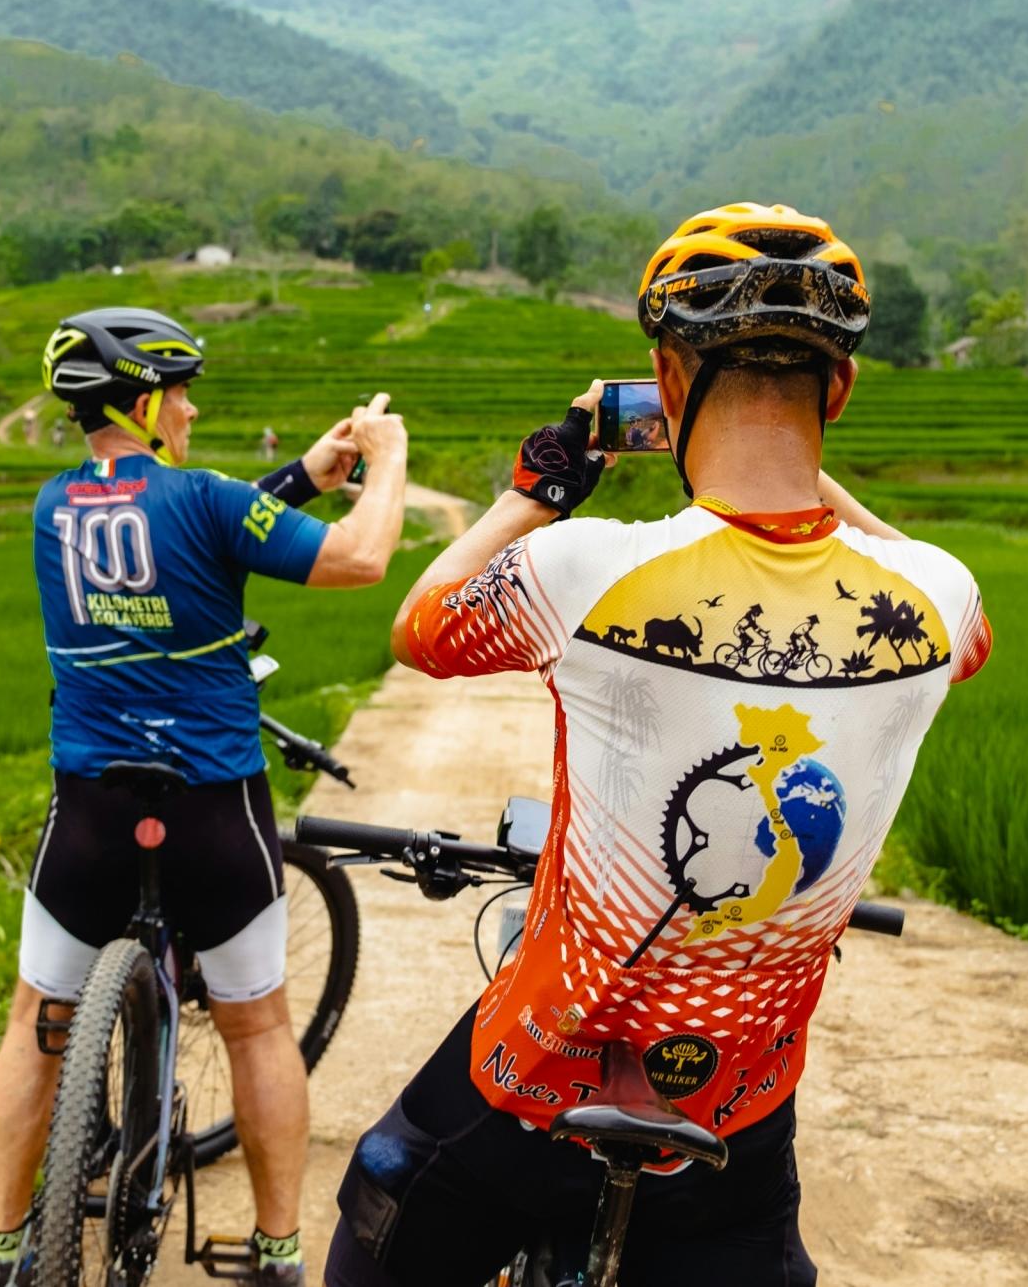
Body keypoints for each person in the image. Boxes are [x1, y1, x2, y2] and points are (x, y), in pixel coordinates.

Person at [327, 203, 992, 1286]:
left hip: (533, 1089)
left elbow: (421, 628)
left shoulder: (586, 569)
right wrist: (804, 472)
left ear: (665, 384)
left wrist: (538, 484)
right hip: (738, 1114)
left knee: (383, 1202)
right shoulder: (939, 596)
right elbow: (957, 619)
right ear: (842, 389)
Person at [0, 307, 410, 1287]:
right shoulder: (207, 498)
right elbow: (358, 559)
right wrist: (385, 462)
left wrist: (301, 476)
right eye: (176, 392)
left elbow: (185, 524)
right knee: (256, 1024)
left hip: (88, 808)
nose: (190, 406)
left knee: (30, 1022)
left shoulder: (53, 506)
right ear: (138, 400)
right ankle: (277, 1251)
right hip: (213, 808)